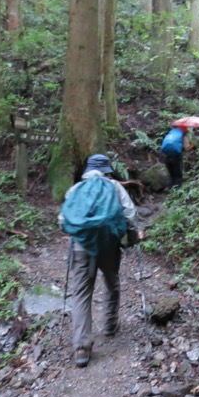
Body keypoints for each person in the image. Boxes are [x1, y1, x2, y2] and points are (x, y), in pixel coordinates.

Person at [58, 154, 143, 368]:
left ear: (87, 171)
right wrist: (132, 238)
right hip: (108, 246)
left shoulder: (76, 190)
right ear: (107, 170)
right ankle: (110, 325)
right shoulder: (115, 187)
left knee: (81, 293)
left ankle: (81, 347)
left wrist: (76, 234)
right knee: (112, 283)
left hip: (81, 247)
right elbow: (130, 215)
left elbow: (63, 219)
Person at [160, 125, 194, 190]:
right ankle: (177, 189)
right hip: (176, 155)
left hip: (167, 154)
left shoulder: (173, 132)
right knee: (178, 174)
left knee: (172, 174)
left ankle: (169, 187)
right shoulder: (183, 134)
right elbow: (186, 148)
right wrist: (192, 145)